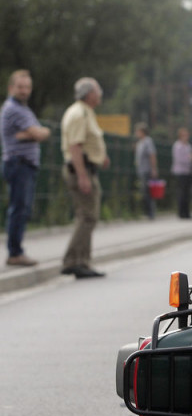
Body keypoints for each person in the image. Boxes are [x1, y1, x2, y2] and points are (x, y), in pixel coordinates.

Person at [60, 77, 109, 279]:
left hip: (87, 168)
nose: (100, 95)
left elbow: (86, 142)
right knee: (87, 217)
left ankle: (82, 261)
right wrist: (82, 176)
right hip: (81, 170)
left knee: (87, 217)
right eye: (98, 91)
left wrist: (101, 156)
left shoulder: (85, 112)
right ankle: (74, 261)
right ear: (89, 94)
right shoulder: (79, 113)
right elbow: (75, 147)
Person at [1, 69, 50, 267]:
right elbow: (39, 134)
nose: (24, 91)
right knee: (19, 209)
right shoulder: (14, 109)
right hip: (18, 164)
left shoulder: (24, 109)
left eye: (27, 87)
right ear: (11, 87)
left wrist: (31, 133)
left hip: (24, 165)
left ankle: (17, 250)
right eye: (20, 87)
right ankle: (15, 253)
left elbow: (41, 132)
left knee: (23, 208)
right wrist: (35, 133)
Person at [133, 122, 158, 219]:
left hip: (147, 169)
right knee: (144, 191)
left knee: (148, 191)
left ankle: (150, 213)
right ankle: (146, 212)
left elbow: (152, 155)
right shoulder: (139, 143)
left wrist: (154, 169)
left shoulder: (148, 141)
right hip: (141, 170)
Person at [171, 127, 192, 219]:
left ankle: (187, 212)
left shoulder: (188, 146)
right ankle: (181, 213)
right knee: (181, 193)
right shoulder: (178, 146)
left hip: (187, 171)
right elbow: (179, 159)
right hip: (180, 171)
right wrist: (189, 158)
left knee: (187, 193)